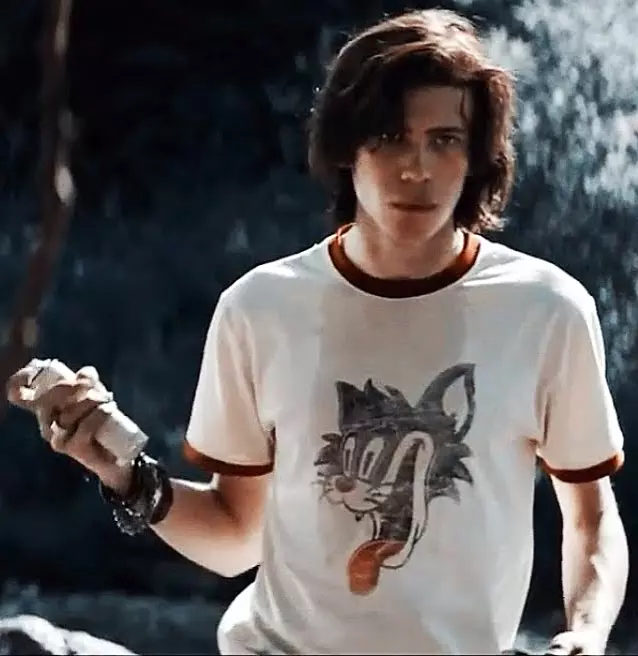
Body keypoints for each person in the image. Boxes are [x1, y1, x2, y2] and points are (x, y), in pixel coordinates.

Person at [6, 8, 628, 656]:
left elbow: (591, 520)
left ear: (475, 158)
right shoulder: (261, 308)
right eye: (389, 137)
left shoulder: (546, 310)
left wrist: (585, 635)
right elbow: (235, 535)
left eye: (444, 140)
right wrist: (126, 475)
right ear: (346, 148)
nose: (417, 167)